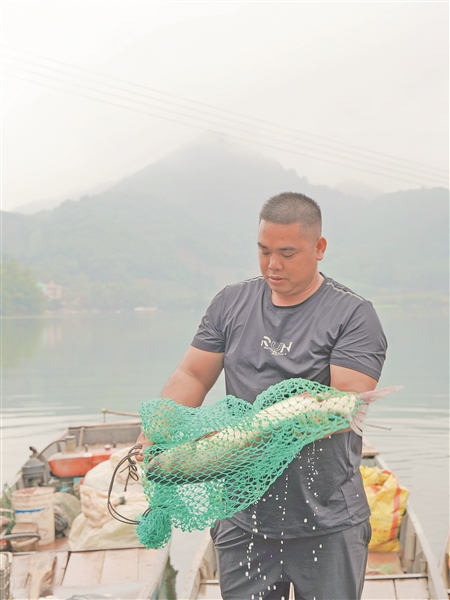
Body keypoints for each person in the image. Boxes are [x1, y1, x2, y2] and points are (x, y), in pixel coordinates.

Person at [137, 192, 387, 600]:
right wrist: (156, 432)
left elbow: (344, 404)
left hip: (328, 522)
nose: (273, 264)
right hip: (241, 520)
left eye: (287, 253)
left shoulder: (353, 315)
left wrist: (259, 432)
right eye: (264, 251)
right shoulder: (231, 302)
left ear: (319, 247)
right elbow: (192, 374)